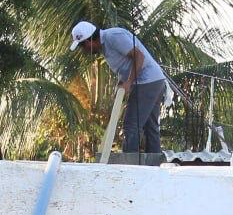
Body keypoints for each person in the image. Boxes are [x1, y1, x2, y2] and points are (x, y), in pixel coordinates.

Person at [70, 20, 168, 156]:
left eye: (83, 47)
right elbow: (126, 64)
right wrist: (123, 81)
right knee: (150, 127)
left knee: (131, 126)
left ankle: (129, 168)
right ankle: (155, 165)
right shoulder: (105, 46)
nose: (84, 50)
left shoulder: (113, 37)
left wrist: (129, 82)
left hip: (147, 81)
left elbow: (139, 56)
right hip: (155, 80)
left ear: (88, 41)